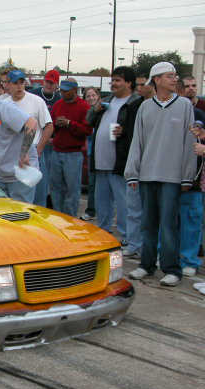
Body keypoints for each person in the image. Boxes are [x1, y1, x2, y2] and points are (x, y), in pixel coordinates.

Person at [125, 62, 197, 287]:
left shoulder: (184, 105)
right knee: (148, 224)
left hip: (172, 177)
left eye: (175, 75)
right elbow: (137, 141)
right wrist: (132, 172)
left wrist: (187, 175)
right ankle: (146, 265)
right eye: (169, 76)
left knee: (168, 225)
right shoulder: (145, 107)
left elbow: (189, 142)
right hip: (147, 175)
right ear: (156, 79)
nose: (174, 79)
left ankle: (171, 269)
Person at [87, 68, 144, 252]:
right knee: (102, 202)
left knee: (124, 203)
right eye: (112, 80)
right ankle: (103, 234)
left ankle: (127, 238)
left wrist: (124, 132)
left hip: (120, 164)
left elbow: (140, 131)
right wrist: (95, 110)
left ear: (129, 83)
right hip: (101, 162)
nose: (113, 84)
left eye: (118, 80)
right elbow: (89, 121)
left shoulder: (136, 103)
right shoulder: (107, 101)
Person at [5, 70, 53, 204]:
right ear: (8, 85)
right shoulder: (4, 104)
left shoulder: (37, 101)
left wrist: (39, 149)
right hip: (12, 156)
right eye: (15, 83)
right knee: (17, 201)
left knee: (38, 198)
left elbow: (49, 126)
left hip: (33, 153)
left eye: (22, 83)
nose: (19, 86)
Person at [50, 78, 92, 216]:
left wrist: (69, 123)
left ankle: (69, 218)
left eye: (66, 91)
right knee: (55, 188)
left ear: (74, 90)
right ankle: (58, 217)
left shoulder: (84, 106)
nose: (62, 93)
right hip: (56, 151)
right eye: (61, 90)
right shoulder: (58, 105)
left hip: (73, 153)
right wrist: (56, 125)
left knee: (72, 190)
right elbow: (50, 125)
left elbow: (87, 130)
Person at [179, 81, 205, 276]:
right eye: (186, 86)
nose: (191, 89)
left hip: (195, 179)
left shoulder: (200, 115)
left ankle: (189, 259)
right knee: (168, 220)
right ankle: (166, 255)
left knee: (192, 220)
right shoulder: (168, 114)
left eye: (193, 85)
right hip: (171, 176)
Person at [31, 70, 62, 207]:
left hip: (51, 145)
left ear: (56, 85)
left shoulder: (59, 99)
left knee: (48, 178)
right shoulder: (34, 95)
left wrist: (53, 138)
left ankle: (46, 204)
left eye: (52, 83)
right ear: (43, 81)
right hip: (35, 143)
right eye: (47, 82)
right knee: (34, 177)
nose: (49, 85)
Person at [81, 87, 101, 221]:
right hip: (91, 153)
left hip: (104, 153)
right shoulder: (87, 113)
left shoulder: (104, 110)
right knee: (92, 183)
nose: (91, 98)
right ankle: (91, 210)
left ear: (98, 96)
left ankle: (105, 211)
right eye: (88, 96)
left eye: (93, 95)